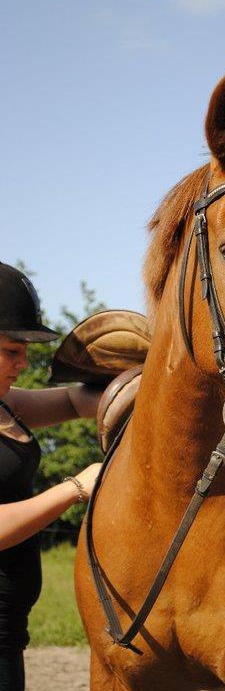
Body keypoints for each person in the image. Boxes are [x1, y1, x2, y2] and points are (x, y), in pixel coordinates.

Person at [0, 262, 102, 691]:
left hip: (8, 630)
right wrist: (76, 488)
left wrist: (147, 375)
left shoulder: (6, 405)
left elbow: (75, 401)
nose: (23, 362)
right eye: (10, 351)